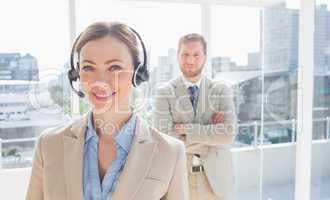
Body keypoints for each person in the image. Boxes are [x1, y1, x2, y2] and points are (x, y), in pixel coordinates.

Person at [26, 21, 188, 200]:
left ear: (137, 73)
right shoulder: (49, 145)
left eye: (115, 67)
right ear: (76, 74)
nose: (100, 81)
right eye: (88, 67)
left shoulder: (170, 153)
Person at [153, 33, 236, 200]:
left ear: (205, 57)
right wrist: (211, 135)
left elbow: (227, 135)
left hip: (215, 181)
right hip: (178, 179)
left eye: (196, 54)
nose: (190, 60)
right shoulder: (164, 92)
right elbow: (165, 140)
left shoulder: (221, 90)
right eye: (185, 54)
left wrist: (187, 131)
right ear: (178, 56)